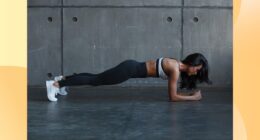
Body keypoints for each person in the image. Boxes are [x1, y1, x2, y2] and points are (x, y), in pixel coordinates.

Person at [46, 53, 212, 102]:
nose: (196, 72)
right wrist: (193, 98)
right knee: (95, 81)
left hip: (130, 67)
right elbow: (173, 97)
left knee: (96, 78)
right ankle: (55, 84)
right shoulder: (175, 69)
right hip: (128, 70)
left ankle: (63, 78)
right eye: (197, 69)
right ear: (191, 63)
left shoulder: (176, 64)